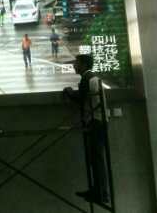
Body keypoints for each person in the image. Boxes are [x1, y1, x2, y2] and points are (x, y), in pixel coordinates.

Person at [63, 54, 110, 205]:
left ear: (83, 64)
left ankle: (101, 193)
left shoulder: (87, 79)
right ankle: (98, 191)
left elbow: (81, 98)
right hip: (99, 121)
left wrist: (69, 92)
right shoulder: (92, 77)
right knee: (95, 159)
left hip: (96, 122)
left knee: (96, 159)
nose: (74, 65)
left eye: (76, 63)